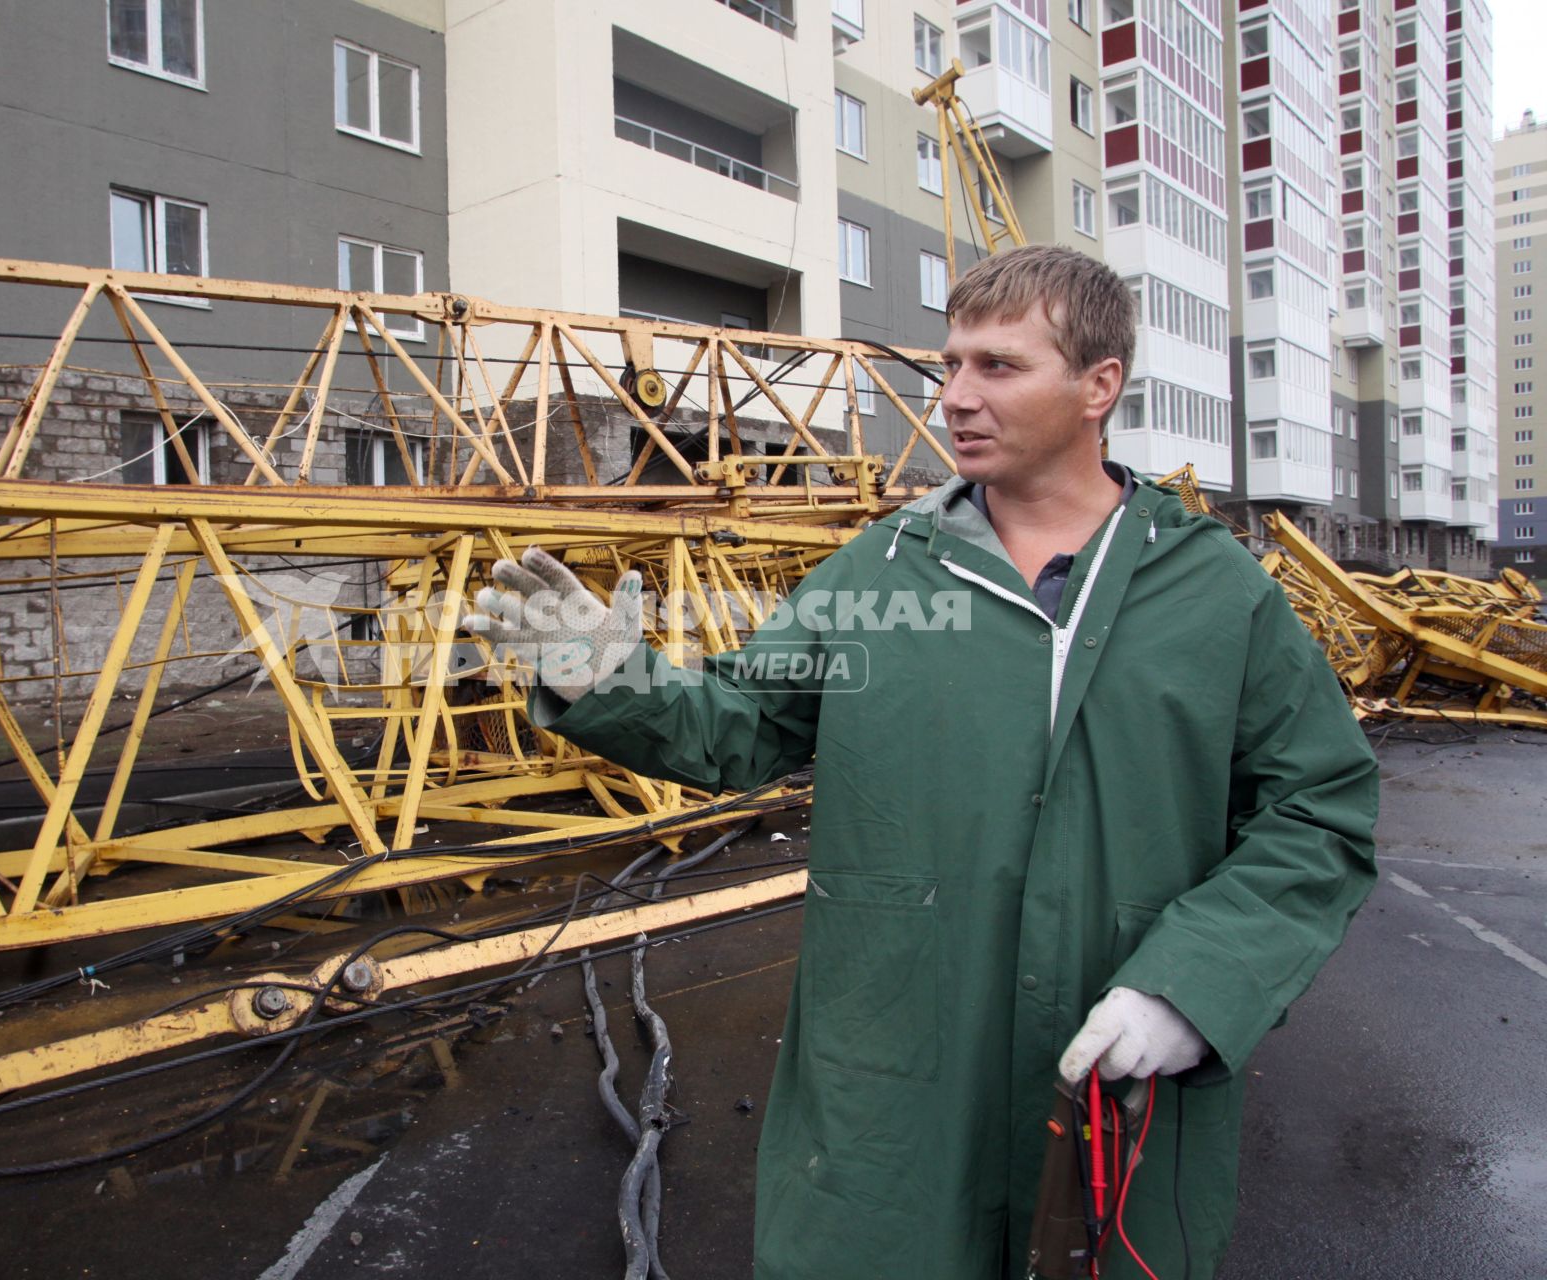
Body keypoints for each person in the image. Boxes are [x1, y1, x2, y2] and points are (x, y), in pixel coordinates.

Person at [463, 245, 1379, 1279]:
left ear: (1099, 386)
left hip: (1119, 1079)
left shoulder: (1216, 594)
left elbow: (1320, 811)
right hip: (893, 1084)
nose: (956, 397)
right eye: (951, 365)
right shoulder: (883, 571)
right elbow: (737, 721)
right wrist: (608, 677)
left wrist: (1192, 988)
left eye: (998, 366)